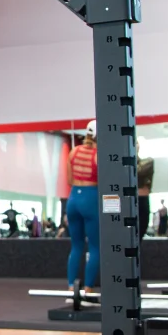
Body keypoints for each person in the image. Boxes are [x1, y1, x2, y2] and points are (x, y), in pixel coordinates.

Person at [67, 121, 99, 291]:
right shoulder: (97, 155)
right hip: (90, 197)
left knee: (76, 245)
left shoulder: (73, 152)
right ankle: (87, 289)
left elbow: (69, 180)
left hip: (73, 199)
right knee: (95, 246)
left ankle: (71, 288)